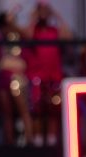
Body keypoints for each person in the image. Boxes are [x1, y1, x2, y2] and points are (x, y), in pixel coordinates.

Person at [26, 2, 71, 146]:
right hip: (38, 75)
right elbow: (27, 36)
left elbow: (68, 37)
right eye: (41, 10)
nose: (43, 13)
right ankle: (38, 140)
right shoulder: (34, 31)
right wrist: (33, 18)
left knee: (53, 109)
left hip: (54, 75)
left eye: (46, 10)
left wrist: (57, 16)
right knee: (37, 109)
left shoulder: (54, 30)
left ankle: (52, 140)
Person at [0, 11, 34, 145]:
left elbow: (29, 35)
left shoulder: (19, 36)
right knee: (7, 113)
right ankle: (9, 143)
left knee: (23, 110)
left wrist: (13, 25)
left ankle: (29, 142)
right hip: (4, 78)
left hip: (18, 78)